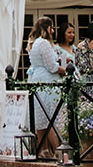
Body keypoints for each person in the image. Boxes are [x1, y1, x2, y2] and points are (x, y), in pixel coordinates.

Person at [26, 16, 67, 158]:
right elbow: (52, 67)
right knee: (50, 116)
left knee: (41, 116)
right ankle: (59, 150)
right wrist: (65, 70)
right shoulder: (43, 43)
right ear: (47, 28)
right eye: (51, 27)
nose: (53, 30)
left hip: (37, 79)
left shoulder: (34, 43)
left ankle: (43, 149)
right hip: (47, 81)